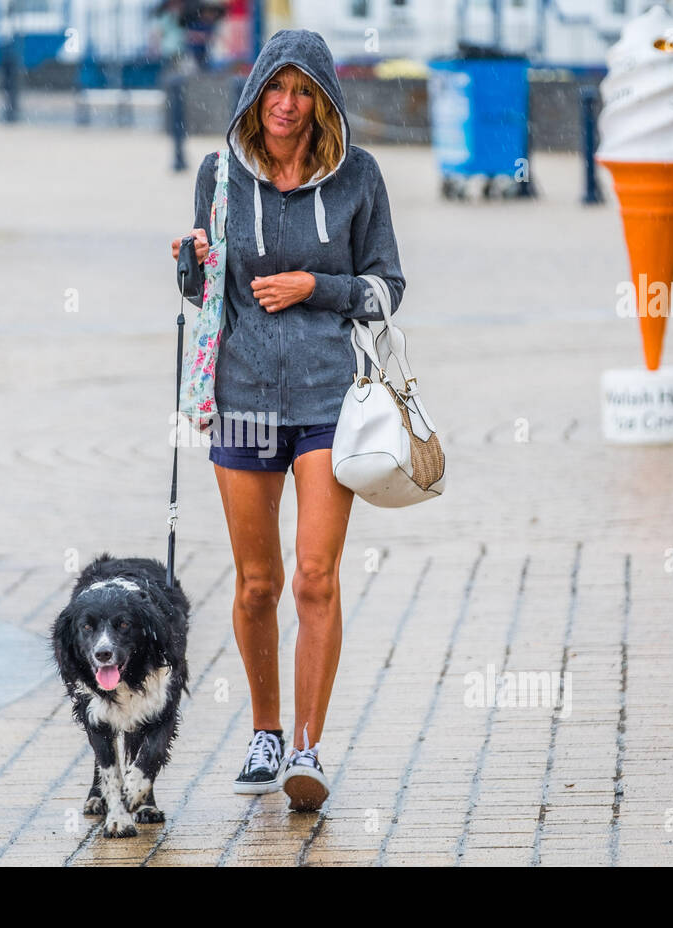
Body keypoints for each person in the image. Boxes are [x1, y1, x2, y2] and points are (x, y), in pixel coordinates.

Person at [167, 29, 406, 812]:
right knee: (256, 584)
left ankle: (306, 747)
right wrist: (190, 261)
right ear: (256, 92)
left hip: (327, 400)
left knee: (314, 577)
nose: (287, 105)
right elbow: (205, 294)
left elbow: (387, 289)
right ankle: (264, 732)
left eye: (304, 91)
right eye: (277, 87)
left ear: (323, 100)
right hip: (242, 399)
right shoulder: (220, 175)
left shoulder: (358, 178)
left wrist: (318, 286)